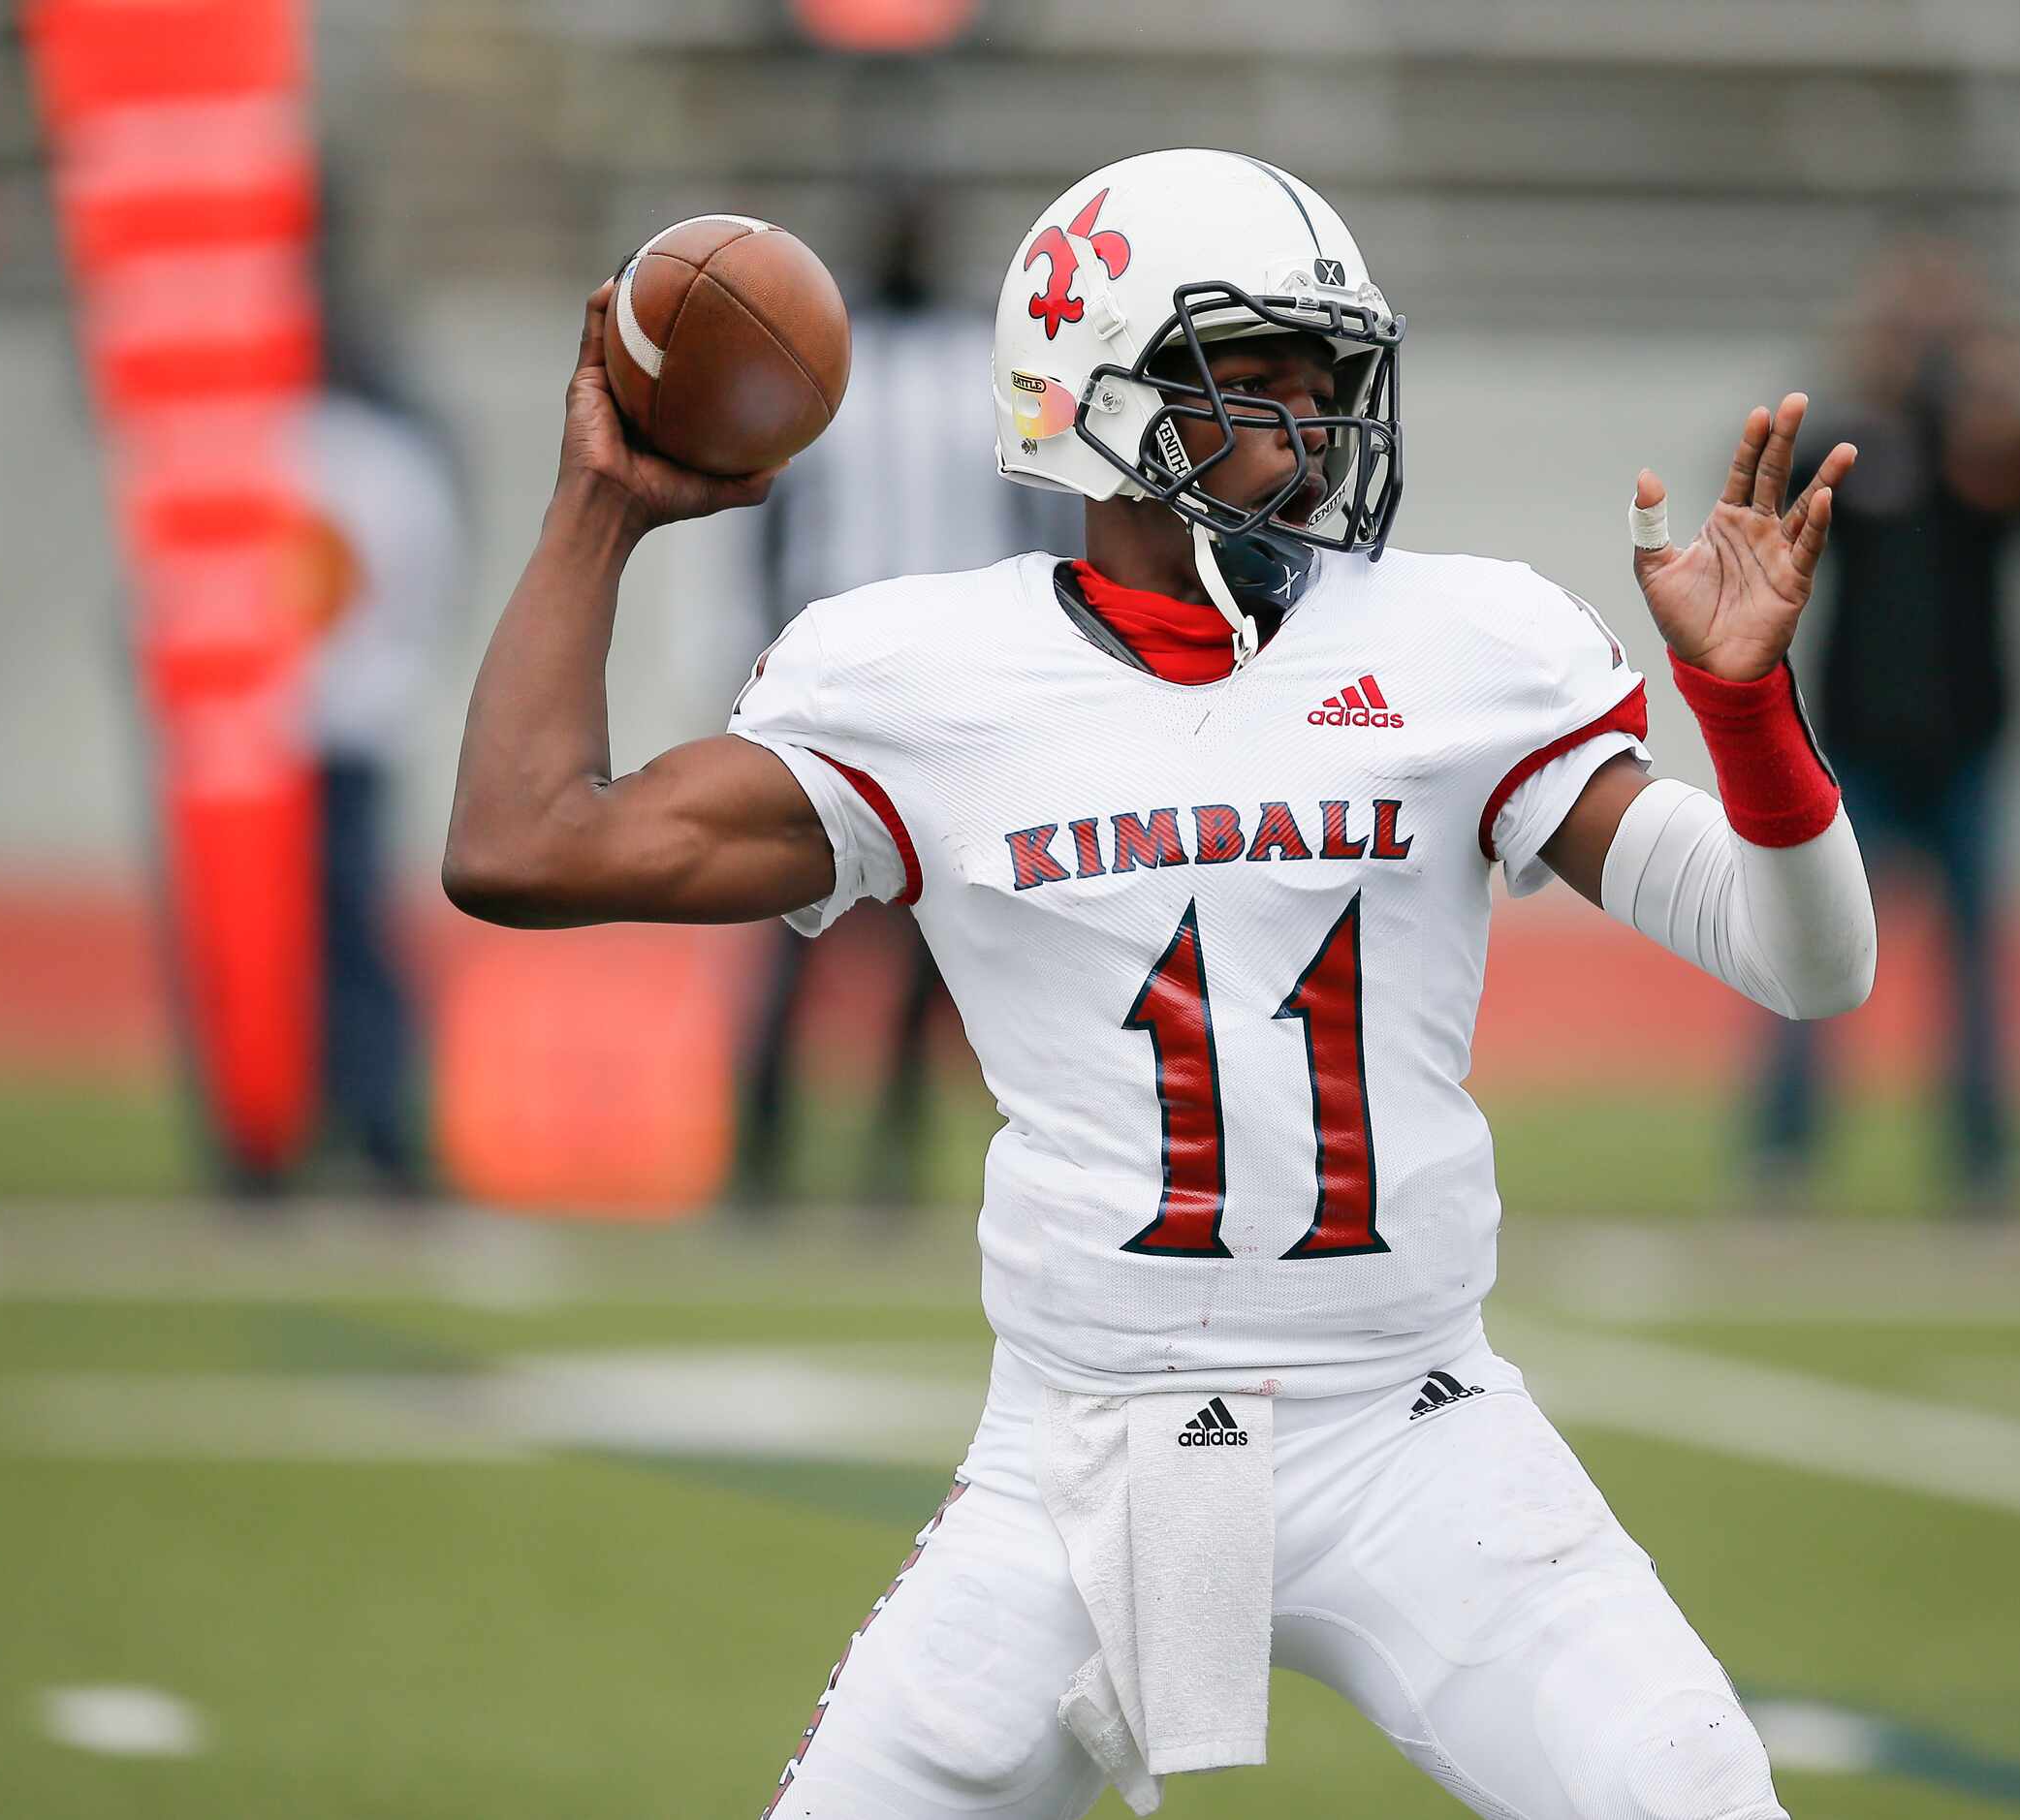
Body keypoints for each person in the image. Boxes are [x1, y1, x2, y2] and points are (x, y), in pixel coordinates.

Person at [445, 150, 1875, 1819]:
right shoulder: (924, 675)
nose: (1310, 421)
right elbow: (525, 844)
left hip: (1412, 1426)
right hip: (1086, 1451)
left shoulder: (1463, 645)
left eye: (1321, 376)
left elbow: (1804, 959)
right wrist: (599, 510)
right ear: (1089, 398)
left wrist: (1747, 713)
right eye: (1248, 376)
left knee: (1698, 1797)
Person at [733, 191, 1076, 1210]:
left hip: (944, 685)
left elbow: (1040, 511)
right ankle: (774, 1159)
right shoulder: (832, 364)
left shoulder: (974, 365)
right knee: (805, 924)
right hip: (859, 688)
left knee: (929, 941)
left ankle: (859, 1160)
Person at [1753, 242, 2020, 1211]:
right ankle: (1785, 1149)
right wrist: (1864, 388)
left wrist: (2004, 409)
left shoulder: (1988, 444)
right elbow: (1769, 497)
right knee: (1811, 952)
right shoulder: (1859, 437)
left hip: (1969, 743)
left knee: (1979, 968)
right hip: (1856, 742)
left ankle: (1985, 1160)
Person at [287, 355, 466, 1198]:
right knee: (347, 935)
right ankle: (367, 1127)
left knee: (335, 936)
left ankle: (350, 1126)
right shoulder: (391, 458)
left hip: (321, 728)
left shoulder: (317, 452)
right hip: (351, 722)